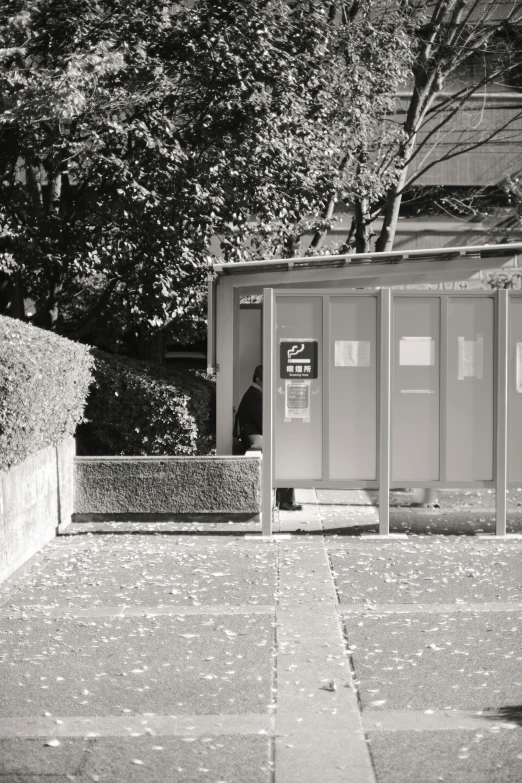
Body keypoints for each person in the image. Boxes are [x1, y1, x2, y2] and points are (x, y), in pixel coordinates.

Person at [235, 365, 302, 511]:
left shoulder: (256, 393)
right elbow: (265, 422)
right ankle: (286, 501)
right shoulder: (255, 395)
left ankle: (285, 499)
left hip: (255, 436)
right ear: (258, 379)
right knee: (286, 456)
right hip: (254, 439)